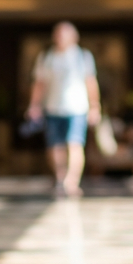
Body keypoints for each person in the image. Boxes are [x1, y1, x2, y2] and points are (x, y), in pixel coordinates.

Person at [27, 21, 99, 197]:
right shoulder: (47, 57)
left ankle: (72, 181)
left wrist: (94, 106)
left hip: (77, 108)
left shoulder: (83, 56)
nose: (60, 38)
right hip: (52, 108)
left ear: (74, 37)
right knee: (54, 146)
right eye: (58, 34)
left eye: (64, 34)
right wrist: (34, 105)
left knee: (75, 144)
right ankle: (60, 177)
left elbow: (90, 82)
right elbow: (39, 83)